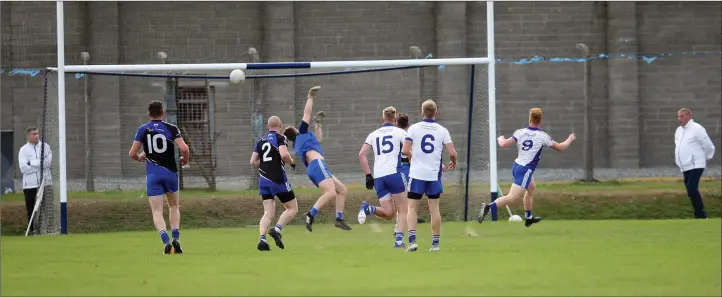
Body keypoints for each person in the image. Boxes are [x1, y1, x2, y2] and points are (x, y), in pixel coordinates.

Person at [478, 108, 575, 227]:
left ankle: (528, 217)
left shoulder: (520, 132)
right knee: (512, 197)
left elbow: (503, 144)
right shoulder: (542, 136)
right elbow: (560, 147)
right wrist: (570, 139)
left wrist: (500, 138)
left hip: (517, 165)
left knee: (531, 188)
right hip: (525, 170)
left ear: (530, 119)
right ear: (540, 121)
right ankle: (488, 207)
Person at [282, 86, 352, 232]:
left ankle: (339, 218)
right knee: (331, 193)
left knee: (342, 190)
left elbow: (318, 139)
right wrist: (310, 97)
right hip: (317, 165)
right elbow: (306, 114)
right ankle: (310, 214)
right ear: (295, 131)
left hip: (316, 167)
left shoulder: (304, 140)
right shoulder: (300, 135)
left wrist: (318, 124)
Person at [128, 101, 190, 255]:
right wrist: (185, 159)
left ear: (149, 114)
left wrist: (140, 157)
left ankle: (166, 241)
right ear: (163, 113)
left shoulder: (143, 129)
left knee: (157, 211)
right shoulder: (171, 128)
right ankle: (176, 238)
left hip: (153, 175)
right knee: (174, 207)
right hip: (170, 173)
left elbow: (132, 153)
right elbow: (184, 148)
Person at [401, 99, 457, 252]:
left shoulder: (413, 128)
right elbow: (452, 152)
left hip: (417, 174)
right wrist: (453, 162)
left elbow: (405, 150)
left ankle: (412, 242)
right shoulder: (442, 130)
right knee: (434, 209)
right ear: (436, 114)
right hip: (433, 175)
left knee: (412, 208)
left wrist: (413, 158)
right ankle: (435, 244)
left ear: (422, 113)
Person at [358, 106, 409, 248]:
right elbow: (408, 150)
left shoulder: (373, 134)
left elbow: (361, 154)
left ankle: (369, 209)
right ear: (395, 120)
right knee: (403, 209)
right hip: (394, 174)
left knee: (389, 213)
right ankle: (399, 241)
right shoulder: (400, 132)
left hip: (379, 177)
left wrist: (368, 175)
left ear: (382, 119)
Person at [250, 116, 298, 251]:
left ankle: (262, 240)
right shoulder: (280, 138)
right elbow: (284, 155)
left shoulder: (260, 141)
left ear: (267, 126)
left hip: (264, 181)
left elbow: (252, 162)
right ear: (280, 125)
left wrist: (265, 165)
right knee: (292, 208)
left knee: (268, 213)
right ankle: (277, 229)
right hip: (278, 180)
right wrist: (292, 162)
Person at [674, 108, 715, 219]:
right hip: (685, 166)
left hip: (696, 164)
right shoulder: (679, 130)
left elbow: (709, 145)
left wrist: (704, 158)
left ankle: (701, 215)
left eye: (682, 116)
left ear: (689, 117)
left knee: (692, 188)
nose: (680, 118)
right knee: (690, 191)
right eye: (678, 116)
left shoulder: (697, 129)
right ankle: (698, 214)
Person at [18, 126, 52, 234]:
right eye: (34, 134)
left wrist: (31, 163)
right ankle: (32, 230)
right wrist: (40, 164)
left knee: (47, 208)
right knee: (31, 209)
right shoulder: (23, 150)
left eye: (37, 133)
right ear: (28, 136)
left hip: (45, 183)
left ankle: (47, 229)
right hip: (30, 185)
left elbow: (48, 163)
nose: (37, 136)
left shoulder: (45, 147)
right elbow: (23, 168)